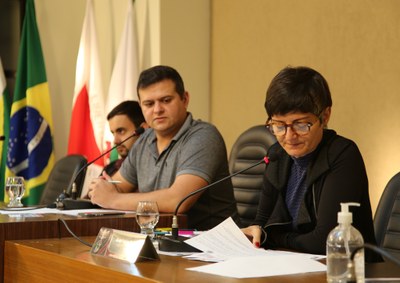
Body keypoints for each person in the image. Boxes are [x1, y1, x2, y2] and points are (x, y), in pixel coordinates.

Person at [241, 66, 379, 261]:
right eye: (279, 126)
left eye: (300, 125)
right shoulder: (276, 156)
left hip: (348, 271)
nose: (289, 136)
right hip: (293, 267)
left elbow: (326, 241)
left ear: (325, 116)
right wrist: (255, 232)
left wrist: (273, 238)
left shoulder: (342, 155)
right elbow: (261, 224)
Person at [88, 65, 240, 230]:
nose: (157, 109)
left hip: (211, 245)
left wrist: (111, 199)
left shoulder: (204, 136)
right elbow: (118, 185)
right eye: (149, 103)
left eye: (166, 100)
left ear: (185, 99)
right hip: (162, 239)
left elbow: (177, 200)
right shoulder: (143, 140)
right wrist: (103, 188)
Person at [102, 100, 146, 176]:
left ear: (142, 129)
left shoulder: (154, 167)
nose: (115, 141)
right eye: (113, 133)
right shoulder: (110, 169)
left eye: (121, 131)